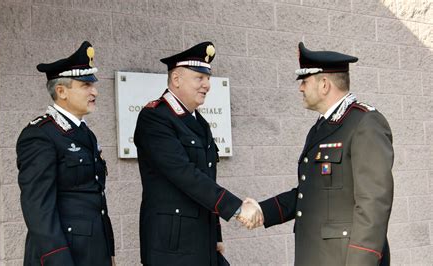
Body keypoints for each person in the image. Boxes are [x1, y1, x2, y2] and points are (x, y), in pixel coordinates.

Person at [245, 42, 394, 265]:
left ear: (324, 84)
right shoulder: (320, 128)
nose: (301, 88)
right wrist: (263, 210)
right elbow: (309, 193)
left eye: (305, 81)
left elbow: (373, 204)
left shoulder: (365, 123)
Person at [133, 41, 263, 266]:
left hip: (202, 238)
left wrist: (216, 234)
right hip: (172, 244)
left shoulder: (198, 121)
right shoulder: (155, 118)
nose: (207, 85)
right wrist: (238, 208)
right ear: (176, 80)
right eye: (199, 78)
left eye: (208, 78)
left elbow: (206, 177)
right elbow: (186, 174)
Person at [16, 41, 115, 266]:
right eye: (85, 85)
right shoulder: (40, 135)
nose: (95, 91)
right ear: (61, 91)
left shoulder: (84, 133)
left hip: (93, 253)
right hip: (62, 256)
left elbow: (97, 198)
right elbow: (38, 208)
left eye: (93, 85)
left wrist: (109, 252)